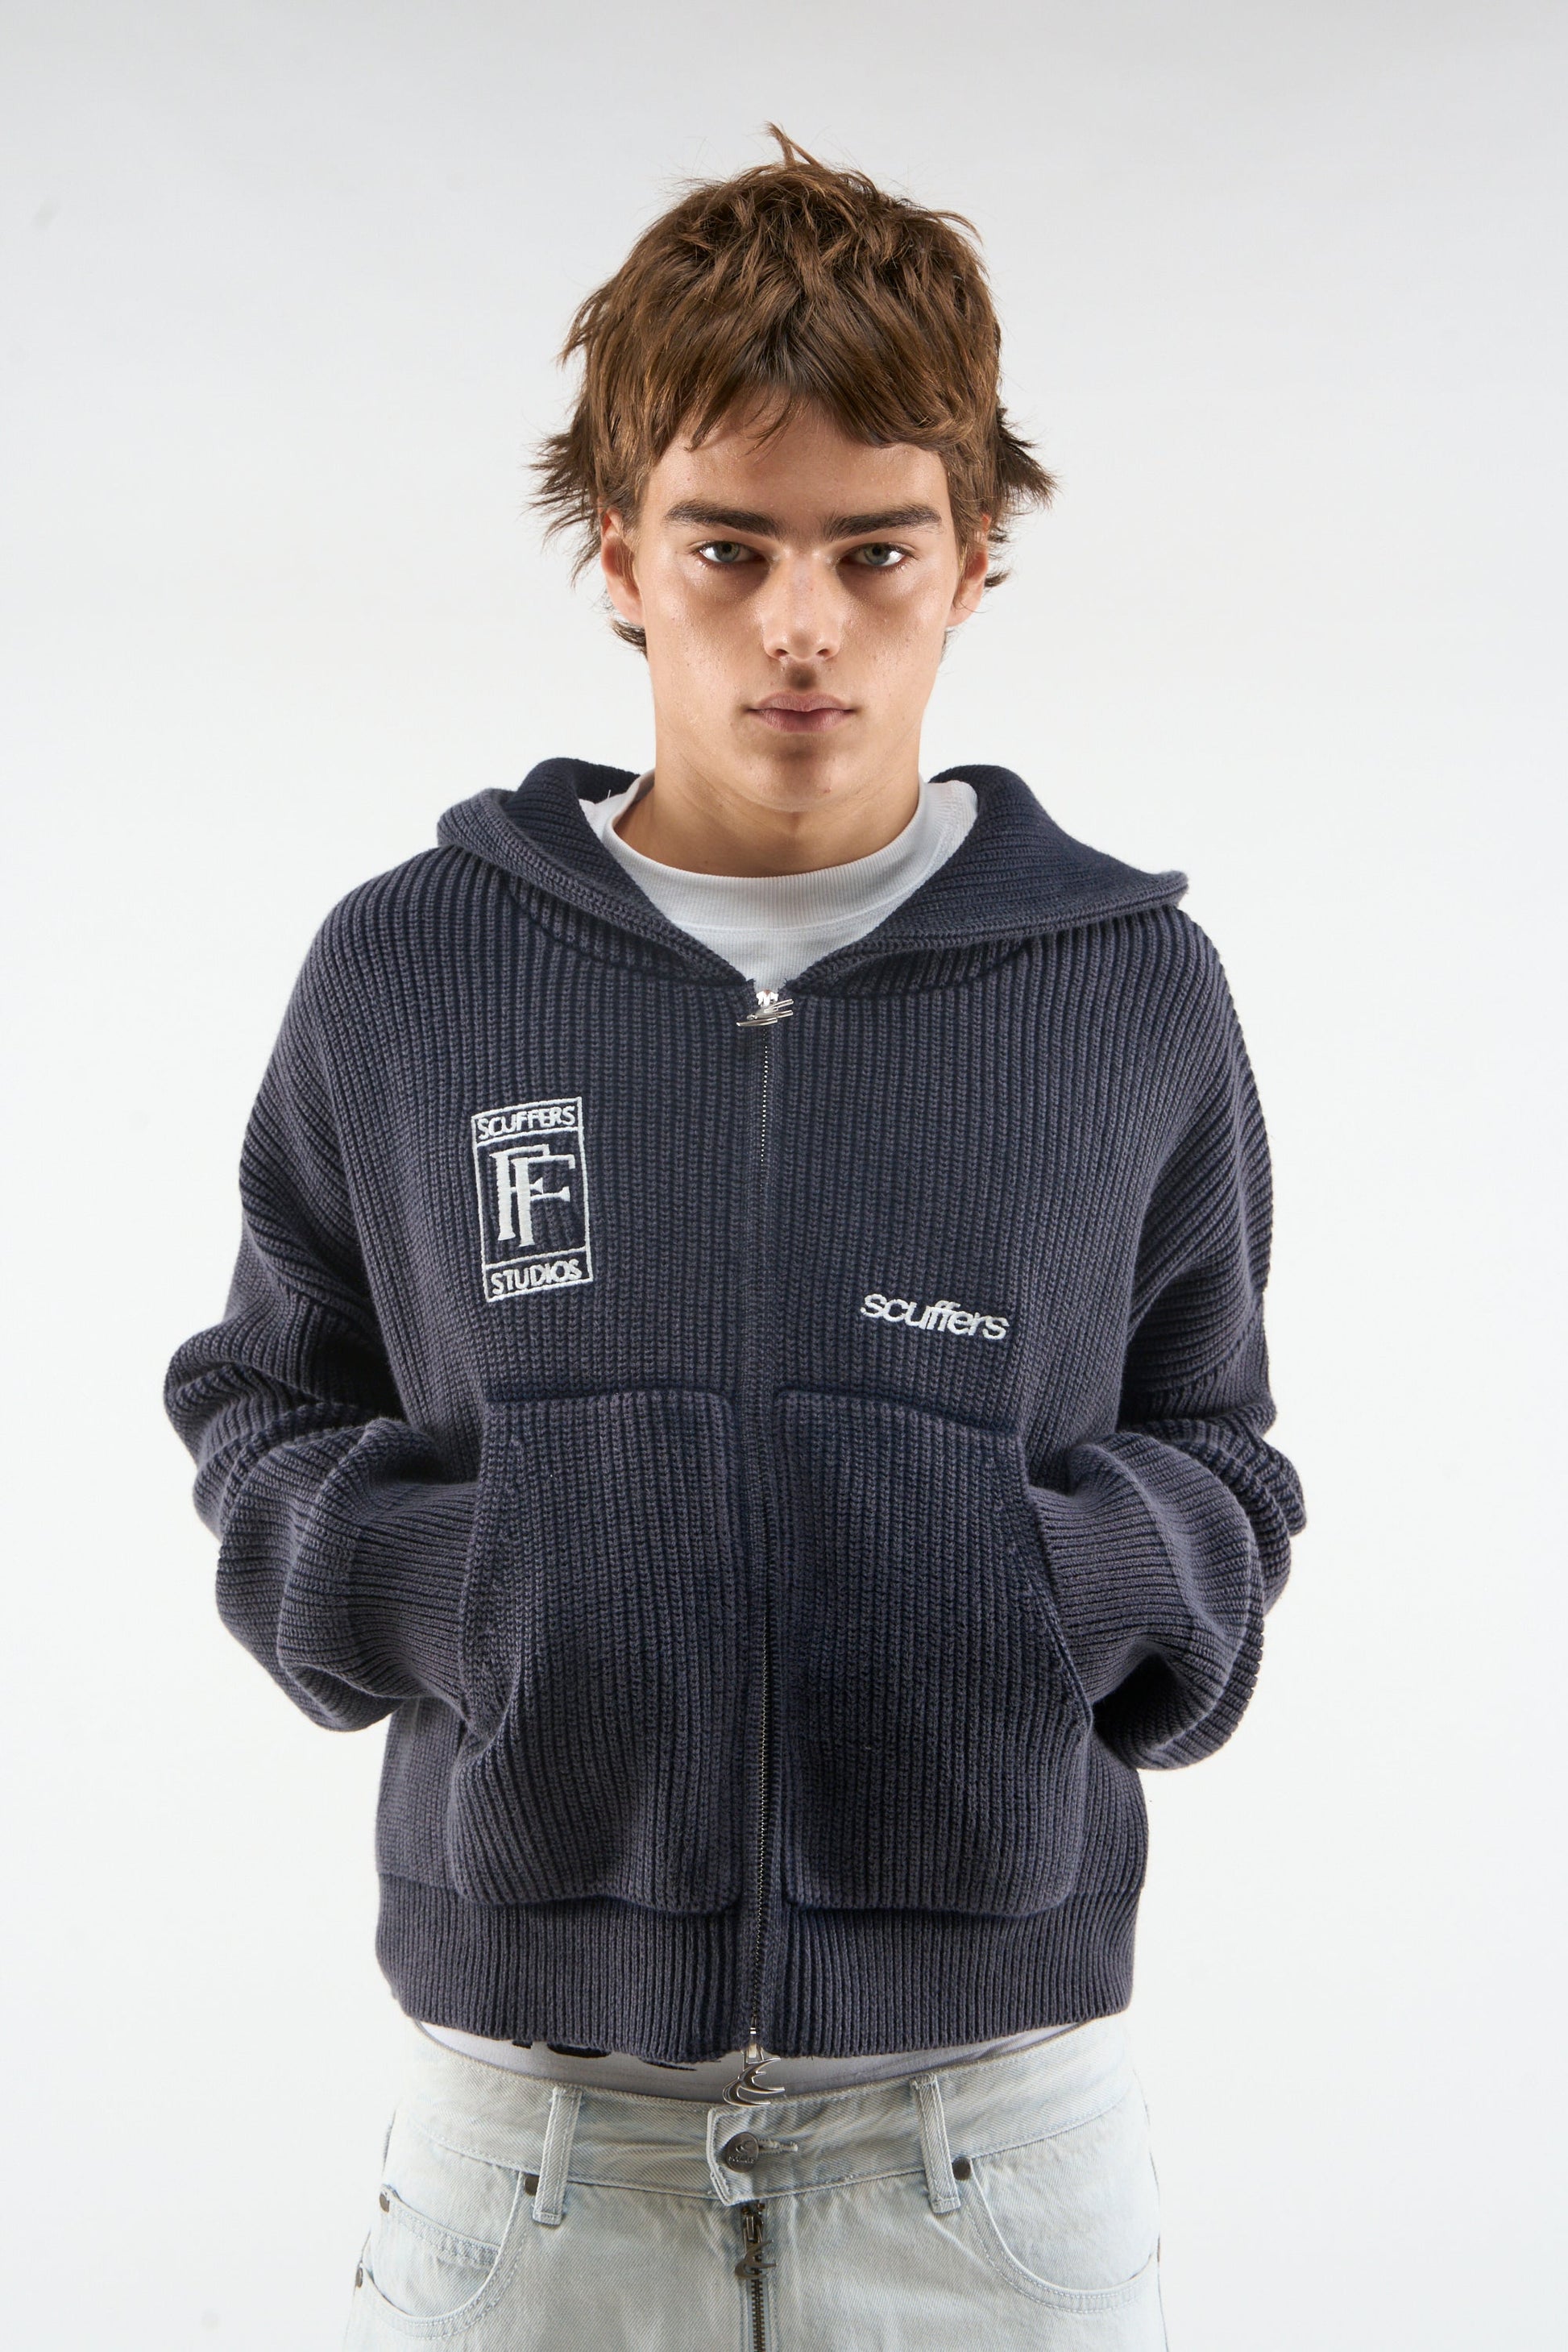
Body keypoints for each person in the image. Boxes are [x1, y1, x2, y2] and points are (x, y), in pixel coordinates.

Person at [164, 126, 1305, 2349]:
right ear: (619, 553)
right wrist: (474, 1583)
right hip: (531, 2154)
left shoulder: (1125, 991)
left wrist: (1045, 1586)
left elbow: (1221, 1457)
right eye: (729, 547)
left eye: (874, 550)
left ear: (973, 560)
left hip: (991, 2153)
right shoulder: (415, 971)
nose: (801, 624)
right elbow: (265, 1404)